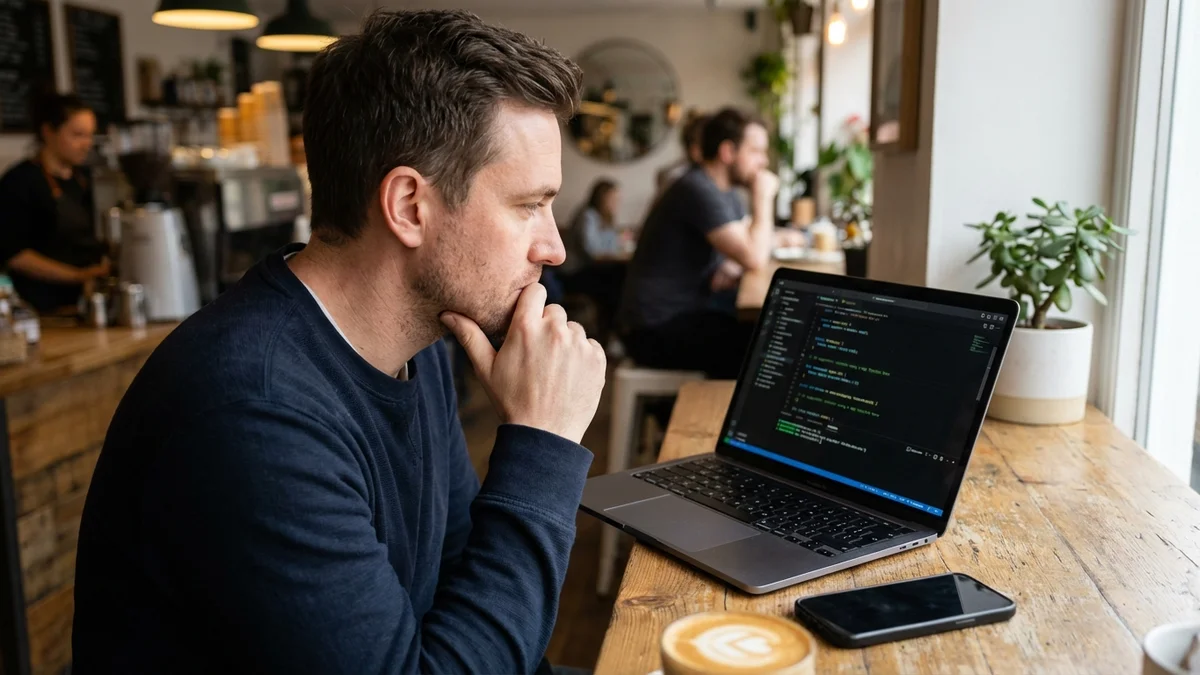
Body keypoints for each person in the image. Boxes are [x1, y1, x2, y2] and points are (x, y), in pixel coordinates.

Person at [72, 10, 606, 675]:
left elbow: (464, 589)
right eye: (529, 204)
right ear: (410, 205)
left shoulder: (422, 346)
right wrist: (544, 449)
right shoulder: (252, 411)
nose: (553, 247)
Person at [617, 107, 778, 379]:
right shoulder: (697, 188)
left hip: (679, 314)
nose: (763, 162)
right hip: (652, 330)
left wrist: (730, 263)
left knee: (764, 332)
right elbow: (754, 256)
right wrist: (763, 197)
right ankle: (703, 417)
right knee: (765, 346)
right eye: (756, 151)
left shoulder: (720, 191)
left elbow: (747, 244)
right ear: (728, 152)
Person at [0, 94, 110, 313]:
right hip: (42, 308)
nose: (87, 144)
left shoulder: (81, 178)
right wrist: (77, 276)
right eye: (77, 135)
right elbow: (14, 255)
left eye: (90, 135)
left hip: (83, 304)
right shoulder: (20, 181)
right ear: (48, 131)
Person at [559, 178, 626, 341]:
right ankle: (610, 333)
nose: (616, 203)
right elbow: (592, 251)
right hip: (573, 274)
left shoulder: (604, 218)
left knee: (619, 276)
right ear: (602, 198)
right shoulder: (587, 216)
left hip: (590, 270)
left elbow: (611, 246)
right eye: (613, 198)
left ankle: (610, 333)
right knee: (617, 280)